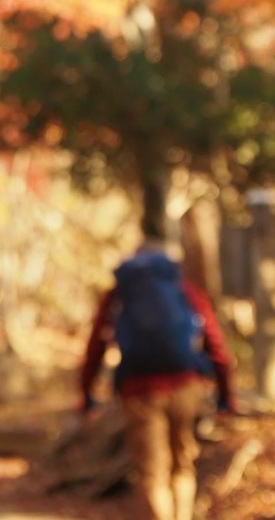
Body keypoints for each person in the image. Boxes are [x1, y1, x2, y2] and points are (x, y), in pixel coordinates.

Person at [79, 216, 238, 520]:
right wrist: (225, 395)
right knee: (182, 466)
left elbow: (95, 346)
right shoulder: (184, 291)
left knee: (152, 474)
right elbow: (215, 344)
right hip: (186, 386)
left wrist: (86, 394)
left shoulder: (121, 294)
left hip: (139, 390)